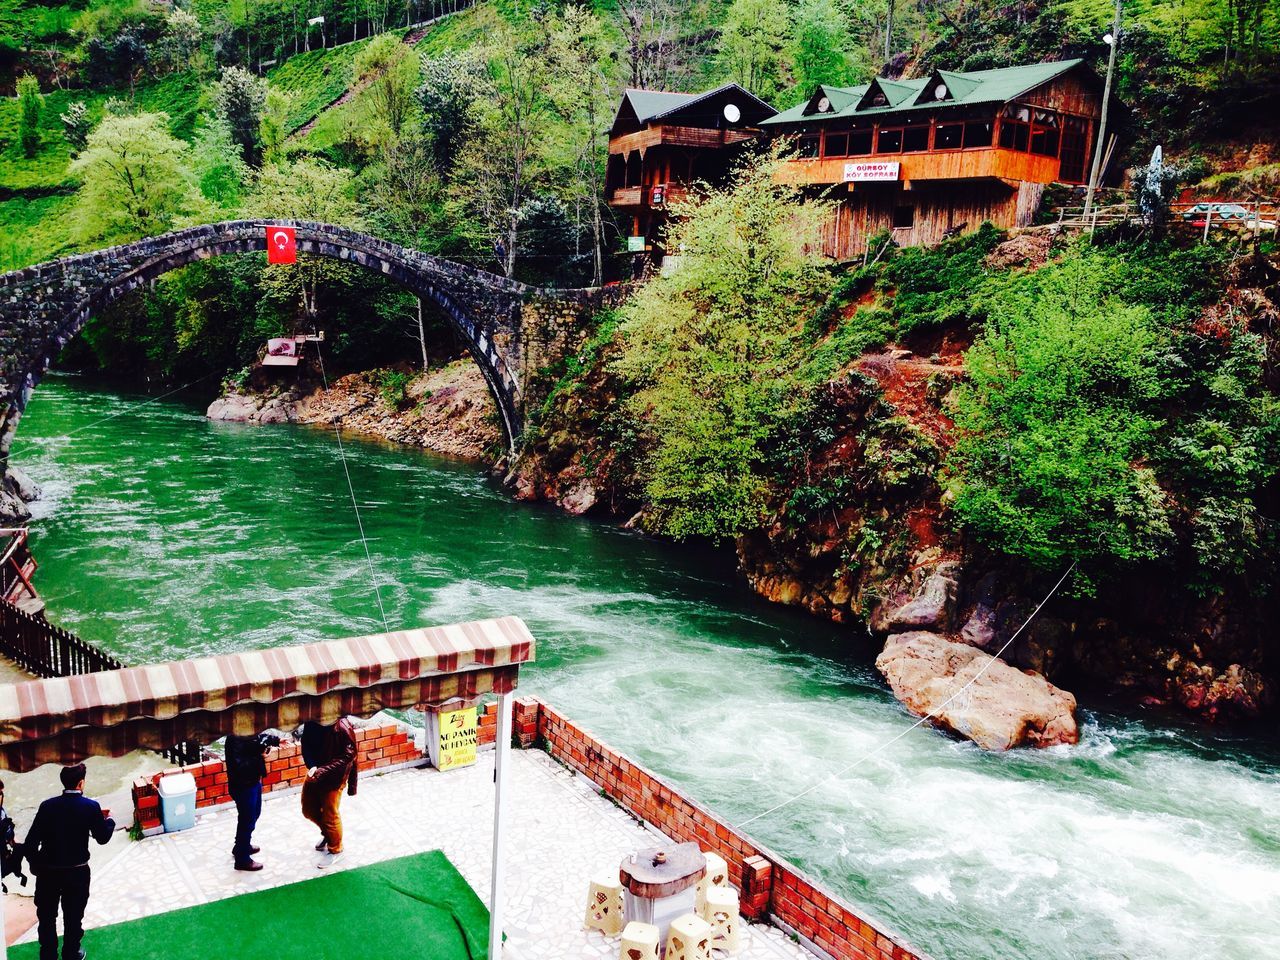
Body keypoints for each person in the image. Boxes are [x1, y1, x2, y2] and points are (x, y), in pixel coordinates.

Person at [23, 763, 115, 960]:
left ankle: (48, 954)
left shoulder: (47, 806)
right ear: (81, 783)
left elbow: (30, 844)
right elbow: (102, 838)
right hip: (77, 873)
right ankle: (71, 953)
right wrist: (110, 821)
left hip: (49, 873)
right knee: (73, 916)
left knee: (47, 917)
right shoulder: (91, 807)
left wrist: (37, 865)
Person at [298, 717, 359, 869]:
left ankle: (336, 849)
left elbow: (349, 755)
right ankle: (329, 834)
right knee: (308, 809)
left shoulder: (342, 726)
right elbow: (305, 743)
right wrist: (312, 766)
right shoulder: (312, 720)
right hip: (316, 772)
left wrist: (322, 770)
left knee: (330, 815)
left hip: (334, 777)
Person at [225, 731, 281, 872]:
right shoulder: (234, 739)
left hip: (253, 781)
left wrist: (276, 741)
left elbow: (258, 739)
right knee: (247, 819)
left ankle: (241, 846)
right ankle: (242, 859)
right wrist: (260, 756)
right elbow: (240, 766)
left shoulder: (247, 732)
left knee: (254, 814)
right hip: (243, 785)